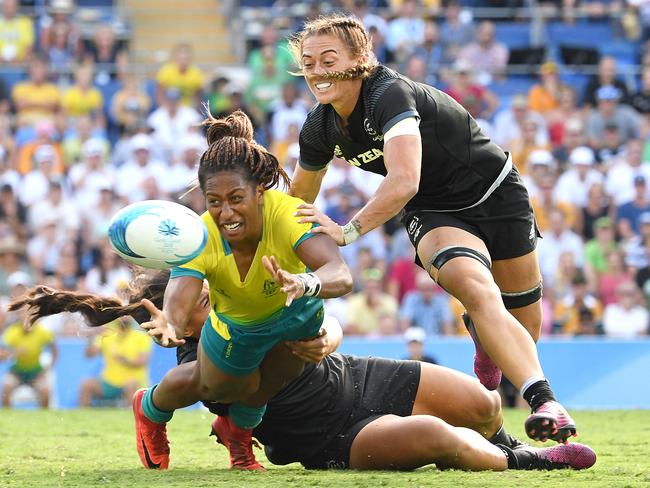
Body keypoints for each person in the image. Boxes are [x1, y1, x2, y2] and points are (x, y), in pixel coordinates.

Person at [288, 14, 577, 444]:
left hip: (499, 194)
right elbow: (297, 204)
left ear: (361, 59)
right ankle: (545, 401)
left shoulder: (389, 93)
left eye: (328, 60)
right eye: (309, 63)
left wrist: (347, 231)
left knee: (525, 324)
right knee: (478, 290)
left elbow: (403, 178)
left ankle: (484, 336)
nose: (317, 72)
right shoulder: (319, 126)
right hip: (435, 209)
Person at [10, 269, 597, 472]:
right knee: (439, 438)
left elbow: (322, 323)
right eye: (198, 304)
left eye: (210, 295)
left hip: (356, 375)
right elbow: (176, 390)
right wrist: (161, 413)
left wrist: (328, 337)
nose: (212, 304)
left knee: (482, 403)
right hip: (330, 437)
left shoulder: (246, 301)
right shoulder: (200, 367)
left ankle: (505, 437)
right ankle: (522, 459)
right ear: (177, 318)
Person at [79, 317, 152, 407]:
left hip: (134, 381)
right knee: (86, 384)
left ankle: (132, 416)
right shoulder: (107, 335)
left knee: (130, 384)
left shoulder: (141, 336)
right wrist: (93, 336)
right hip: (110, 382)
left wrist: (123, 360)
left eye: (127, 315)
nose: (124, 317)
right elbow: (89, 354)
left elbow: (143, 361)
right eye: (122, 315)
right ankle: (85, 416)